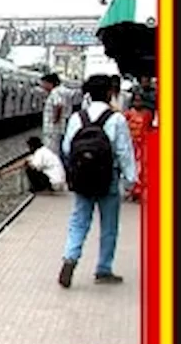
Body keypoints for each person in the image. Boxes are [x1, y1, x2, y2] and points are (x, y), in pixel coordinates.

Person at [58, 75, 138, 288]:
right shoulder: (117, 119)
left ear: (88, 94)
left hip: (83, 178)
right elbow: (124, 152)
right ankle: (104, 268)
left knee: (79, 221)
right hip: (108, 178)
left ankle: (70, 257)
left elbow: (67, 148)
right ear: (111, 92)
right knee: (109, 225)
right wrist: (131, 181)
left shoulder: (77, 117)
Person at [123, 92, 153, 203]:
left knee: (142, 169)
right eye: (135, 100)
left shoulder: (147, 114)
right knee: (131, 167)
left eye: (139, 100)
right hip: (130, 144)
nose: (137, 103)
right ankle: (132, 191)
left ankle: (139, 191)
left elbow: (150, 128)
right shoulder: (128, 114)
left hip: (143, 144)